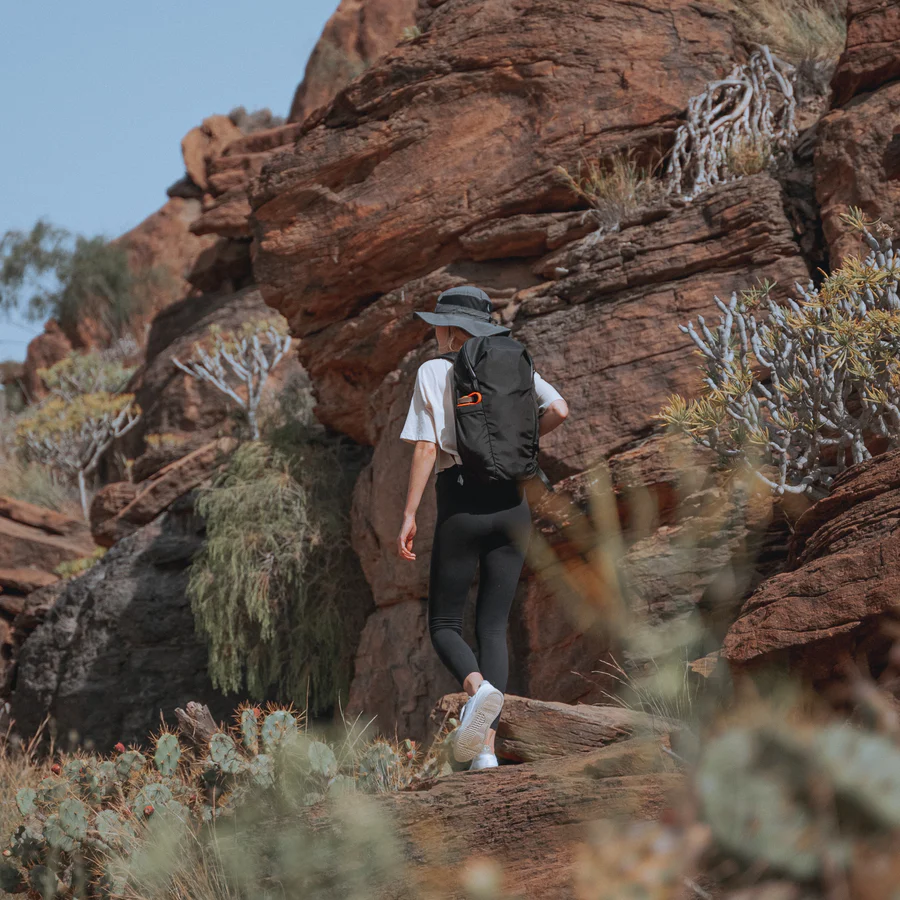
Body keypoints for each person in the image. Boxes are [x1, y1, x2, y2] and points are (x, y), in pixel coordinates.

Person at [396, 285, 568, 770]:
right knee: (493, 625)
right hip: (513, 503)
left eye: (437, 324)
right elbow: (559, 410)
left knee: (446, 623)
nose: (433, 332)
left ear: (452, 328)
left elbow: (427, 449)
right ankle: (486, 752)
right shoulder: (514, 363)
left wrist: (408, 514)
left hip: (461, 498)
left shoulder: (434, 370)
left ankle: (478, 691)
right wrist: (522, 455)